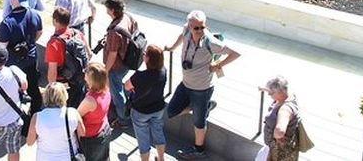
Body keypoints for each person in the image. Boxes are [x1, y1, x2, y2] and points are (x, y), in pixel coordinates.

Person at [165, 10, 241, 159]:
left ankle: (199, 150)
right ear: (189, 25)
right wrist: (173, 47)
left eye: (202, 27)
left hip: (202, 89)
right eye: (196, 27)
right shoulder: (186, 30)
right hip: (186, 83)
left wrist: (218, 65)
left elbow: (235, 53)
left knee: (199, 122)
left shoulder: (209, 41)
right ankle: (203, 106)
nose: (200, 31)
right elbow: (182, 36)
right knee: (171, 111)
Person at [0, 0, 43, 113]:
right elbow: (39, 32)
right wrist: (31, 43)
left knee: (15, 89)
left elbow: (1, 46)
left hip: (14, 63)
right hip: (32, 57)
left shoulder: (7, 22)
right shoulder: (34, 14)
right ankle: (36, 111)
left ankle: (19, 114)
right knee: (33, 86)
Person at [126, 45, 168, 161]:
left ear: (148, 59)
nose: (143, 55)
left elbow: (127, 86)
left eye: (145, 54)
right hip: (158, 108)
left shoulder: (139, 76)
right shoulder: (163, 71)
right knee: (158, 133)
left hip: (140, 111)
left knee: (143, 138)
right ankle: (161, 158)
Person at [27, 81, 86, 161]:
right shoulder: (72, 113)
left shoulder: (37, 117)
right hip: (69, 157)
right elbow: (82, 136)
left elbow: (30, 142)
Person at [101, 0, 136, 128]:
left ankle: (123, 120)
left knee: (117, 93)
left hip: (117, 66)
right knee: (117, 87)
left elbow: (112, 54)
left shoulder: (114, 31)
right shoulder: (128, 17)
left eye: (107, 8)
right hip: (127, 60)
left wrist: (106, 70)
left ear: (111, 10)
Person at [46, 6, 90, 108]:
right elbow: (89, 53)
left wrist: (51, 91)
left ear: (55, 21)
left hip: (63, 83)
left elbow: (52, 72)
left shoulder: (54, 43)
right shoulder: (77, 33)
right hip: (79, 78)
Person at [258, 76, 301, 161]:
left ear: (280, 91)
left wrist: (275, 137)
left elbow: (280, 131)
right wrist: (264, 89)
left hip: (278, 151)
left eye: (271, 93)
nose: (269, 95)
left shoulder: (285, 109)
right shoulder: (287, 96)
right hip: (273, 147)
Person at [77, 62, 111, 161]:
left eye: (86, 72)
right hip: (104, 129)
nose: (84, 73)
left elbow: (77, 115)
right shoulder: (106, 90)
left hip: (91, 138)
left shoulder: (90, 100)